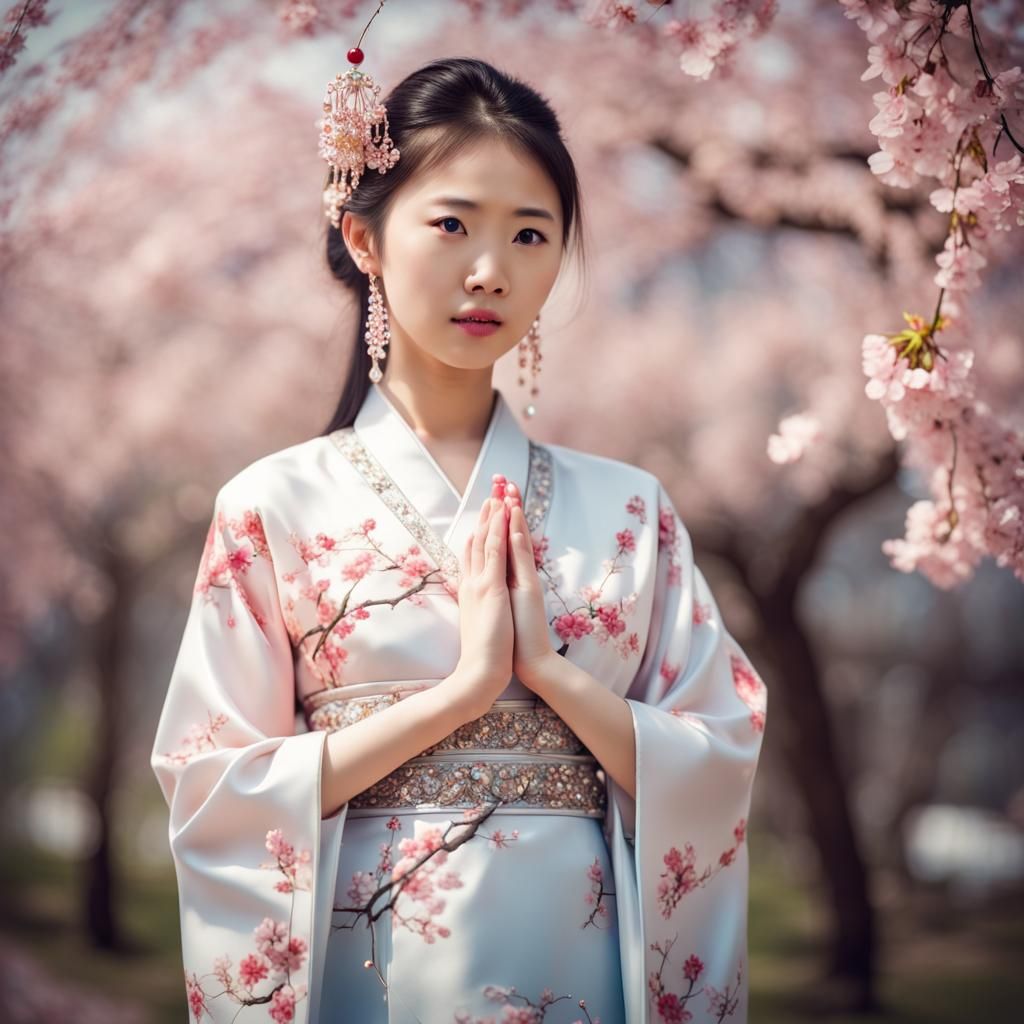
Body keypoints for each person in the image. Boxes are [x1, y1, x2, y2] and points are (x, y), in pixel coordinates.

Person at [150, 56, 767, 1024]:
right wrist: (463, 693)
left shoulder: (630, 510)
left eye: (530, 234)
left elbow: (719, 750)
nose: (490, 271)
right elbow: (212, 787)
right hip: (370, 963)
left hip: (578, 956)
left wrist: (550, 675)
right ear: (364, 236)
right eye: (451, 224)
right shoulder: (269, 504)